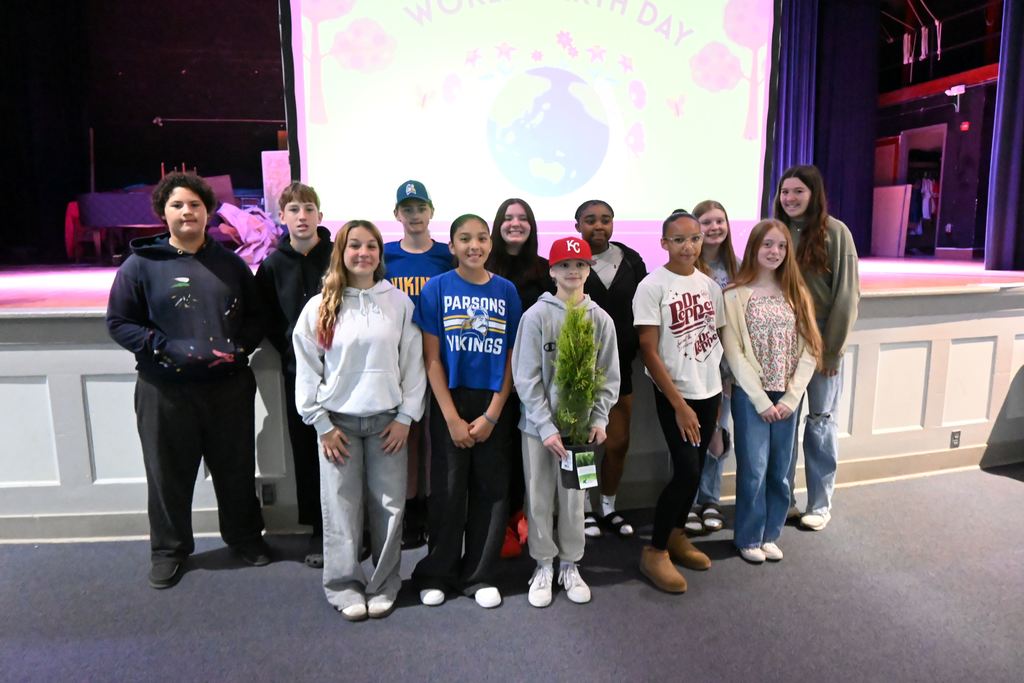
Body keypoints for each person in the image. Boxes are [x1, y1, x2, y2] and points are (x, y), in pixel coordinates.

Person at [106, 171, 269, 590]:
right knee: (167, 475)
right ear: (163, 212)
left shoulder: (230, 263)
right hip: (165, 390)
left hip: (227, 388)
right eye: (178, 205)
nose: (187, 212)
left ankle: (246, 539)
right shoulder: (140, 265)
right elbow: (119, 322)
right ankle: (169, 551)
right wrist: (159, 345)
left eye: (195, 204)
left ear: (207, 211)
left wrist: (240, 347)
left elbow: (256, 318)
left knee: (235, 469)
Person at [293, 220, 426, 621]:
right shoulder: (319, 306)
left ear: (380, 254)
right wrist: (321, 423)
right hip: (338, 426)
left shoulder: (399, 304)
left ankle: (384, 584)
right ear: (342, 251)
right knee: (341, 509)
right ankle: (344, 586)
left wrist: (406, 417)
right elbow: (307, 369)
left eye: (371, 245)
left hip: (388, 422)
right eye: (355, 245)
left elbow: (412, 366)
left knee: (389, 509)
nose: (363, 252)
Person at [412, 214, 522, 609]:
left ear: (490, 244)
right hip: (450, 404)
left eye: (480, 238)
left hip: (493, 404)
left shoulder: (507, 291)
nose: (473, 245)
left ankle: (479, 574)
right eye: (464, 239)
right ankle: (437, 571)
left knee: (492, 491)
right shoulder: (436, 289)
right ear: (453, 246)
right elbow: (431, 360)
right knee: (446, 491)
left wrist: (493, 413)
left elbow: (512, 358)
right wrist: (452, 418)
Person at [512, 237, 619, 607]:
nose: (573, 272)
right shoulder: (536, 317)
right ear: (552, 271)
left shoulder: (600, 319)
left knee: (575, 499)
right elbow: (526, 377)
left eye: (580, 265)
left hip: (581, 434)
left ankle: (570, 563)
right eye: (565, 265)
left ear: (589, 270)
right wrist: (545, 426)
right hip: (538, 431)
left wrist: (600, 418)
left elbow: (608, 375)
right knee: (539, 496)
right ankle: (543, 563)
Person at [721, 219, 821, 563]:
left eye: (780, 246)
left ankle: (770, 534)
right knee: (754, 469)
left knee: (781, 470)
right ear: (753, 248)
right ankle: (748, 536)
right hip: (753, 398)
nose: (774, 252)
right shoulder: (733, 296)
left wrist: (792, 398)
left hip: (787, 397)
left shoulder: (797, 293)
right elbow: (734, 353)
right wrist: (761, 400)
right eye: (767, 245)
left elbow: (810, 349)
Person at [633, 209, 722, 593]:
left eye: (695, 238)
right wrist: (679, 405)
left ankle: (675, 533)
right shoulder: (652, 286)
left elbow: (715, 339)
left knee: (697, 469)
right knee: (685, 471)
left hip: (710, 390)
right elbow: (648, 351)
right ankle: (654, 551)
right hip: (677, 394)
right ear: (664, 244)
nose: (688, 246)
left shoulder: (710, 286)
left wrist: (718, 398)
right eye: (680, 239)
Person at [774, 165, 860, 531]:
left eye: (798, 191)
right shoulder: (775, 233)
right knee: (784, 423)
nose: (790, 199)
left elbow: (846, 295)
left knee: (820, 423)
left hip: (822, 341)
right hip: (781, 342)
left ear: (814, 194)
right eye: (785, 192)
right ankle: (784, 500)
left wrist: (831, 350)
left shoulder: (836, 233)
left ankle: (820, 504)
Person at [254, 181, 332, 568]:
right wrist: (290, 346)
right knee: (306, 450)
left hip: (342, 370)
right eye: (294, 210)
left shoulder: (339, 257)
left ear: (320, 214)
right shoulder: (272, 265)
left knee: (346, 449)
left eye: (309, 209)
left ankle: (354, 527)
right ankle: (319, 530)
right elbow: (264, 316)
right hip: (298, 372)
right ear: (282, 217)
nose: (302, 217)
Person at [384, 180, 453, 549]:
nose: (414, 215)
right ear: (397, 214)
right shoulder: (386, 255)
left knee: (434, 435)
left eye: (420, 208)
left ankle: (432, 505)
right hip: (398, 357)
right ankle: (411, 508)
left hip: (439, 356)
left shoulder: (446, 255)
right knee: (407, 433)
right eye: (407, 209)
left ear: (431, 211)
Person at [574, 199, 647, 538]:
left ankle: (607, 505)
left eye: (605, 220)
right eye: (590, 220)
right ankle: (584, 509)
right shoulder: (568, 262)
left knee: (617, 443)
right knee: (583, 447)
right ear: (578, 226)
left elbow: (647, 311)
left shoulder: (631, 261)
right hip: (578, 373)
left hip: (621, 372)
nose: (598, 226)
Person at [486, 197, 554, 556]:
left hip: (534, 378)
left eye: (523, 218)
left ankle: (522, 517)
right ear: (497, 224)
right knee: (498, 452)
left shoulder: (545, 271)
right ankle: (498, 524)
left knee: (528, 451)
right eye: (508, 217)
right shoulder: (482, 267)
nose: (515, 223)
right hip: (491, 377)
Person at [686, 200, 740, 535]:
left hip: (726, 369)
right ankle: (688, 502)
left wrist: (732, 373)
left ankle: (710, 499)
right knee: (690, 438)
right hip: (692, 368)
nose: (715, 227)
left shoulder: (739, 268)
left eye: (720, 220)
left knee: (717, 438)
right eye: (706, 222)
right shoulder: (686, 267)